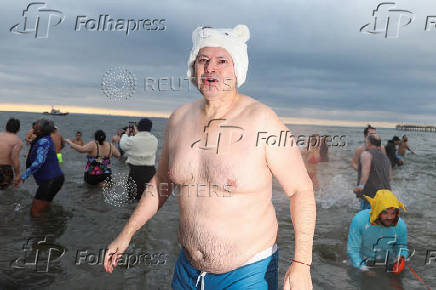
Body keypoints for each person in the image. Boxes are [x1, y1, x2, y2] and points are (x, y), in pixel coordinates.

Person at [104, 25, 315, 290]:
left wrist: (301, 264)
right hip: (187, 270)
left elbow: (300, 189)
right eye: (203, 60)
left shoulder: (262, 121)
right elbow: (161, 183)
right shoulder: (179, 119)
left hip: (248, 273)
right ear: (193, 69)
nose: (210, 68)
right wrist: (126, 233)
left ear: (237, 69)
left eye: (221, 61)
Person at [347, 190, 408, 273]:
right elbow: (352, 250)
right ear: (377, 212)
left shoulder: (400, 225)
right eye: (385, 213)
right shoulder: (359, 220)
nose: (389, 217)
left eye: (393, 213)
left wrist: (401, 257)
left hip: (388, 262)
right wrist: (364, 269)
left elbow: (402, 247)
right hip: (363, 260)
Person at [19, 119, 65, 217]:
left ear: (40, 129)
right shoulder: (42, 139)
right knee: (44, 209)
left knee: (35, 212)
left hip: (51, 180)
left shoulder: (43, 141)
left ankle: (43, 231)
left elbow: (39, 161)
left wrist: (24, 175)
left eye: (37, 124)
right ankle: (54, 225)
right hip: (53, 178)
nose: (34, 124)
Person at [119, 118, 158, 200]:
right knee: (147, 199)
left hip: (136, 172)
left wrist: (125, 134)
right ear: (150, 128)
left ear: (139, 127)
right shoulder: (155, 140)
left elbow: (122, 145)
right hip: (151, 172)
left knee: (133, 199)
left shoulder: (133, 140)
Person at [353, 135, 392, 210]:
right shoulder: (386, 158)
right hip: (386, 195)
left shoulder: (366, 154)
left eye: (366, 142)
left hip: (371, 195)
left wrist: (360, 186)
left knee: (366, 218)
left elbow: (366, 171)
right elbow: (389, 177)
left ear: (369, 143)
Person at [0, 118, 22, 189]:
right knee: (5, 193)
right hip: (4, 169)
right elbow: (14, 158)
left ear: (6, 126)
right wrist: (18, 174)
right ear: (18, 129)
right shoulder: (17, 141)